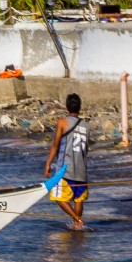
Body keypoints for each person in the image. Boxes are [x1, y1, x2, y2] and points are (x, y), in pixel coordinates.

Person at [43, 93, 91, 231]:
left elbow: (55, 145)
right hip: (81, 169)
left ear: (66, 107)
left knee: (57, 197)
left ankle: (78, 220)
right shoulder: (86, 126)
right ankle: (77, 227)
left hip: (65, 169)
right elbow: (86, 148)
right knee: (78, 199)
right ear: (80, 107)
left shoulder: (63, 122)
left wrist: (48, 164)